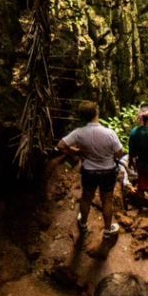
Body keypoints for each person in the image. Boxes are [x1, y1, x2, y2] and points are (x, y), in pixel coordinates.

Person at [57, 100, 124, 242]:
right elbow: (119, 153)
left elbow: (60, 146)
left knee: (86, 198)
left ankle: (83, 224)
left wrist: (75, 152)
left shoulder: (79, 133)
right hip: (108, 171)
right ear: (97, 112)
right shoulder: (109, 133)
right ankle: (107, 231)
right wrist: (108, 155)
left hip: (89, 171)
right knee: (107, 200)